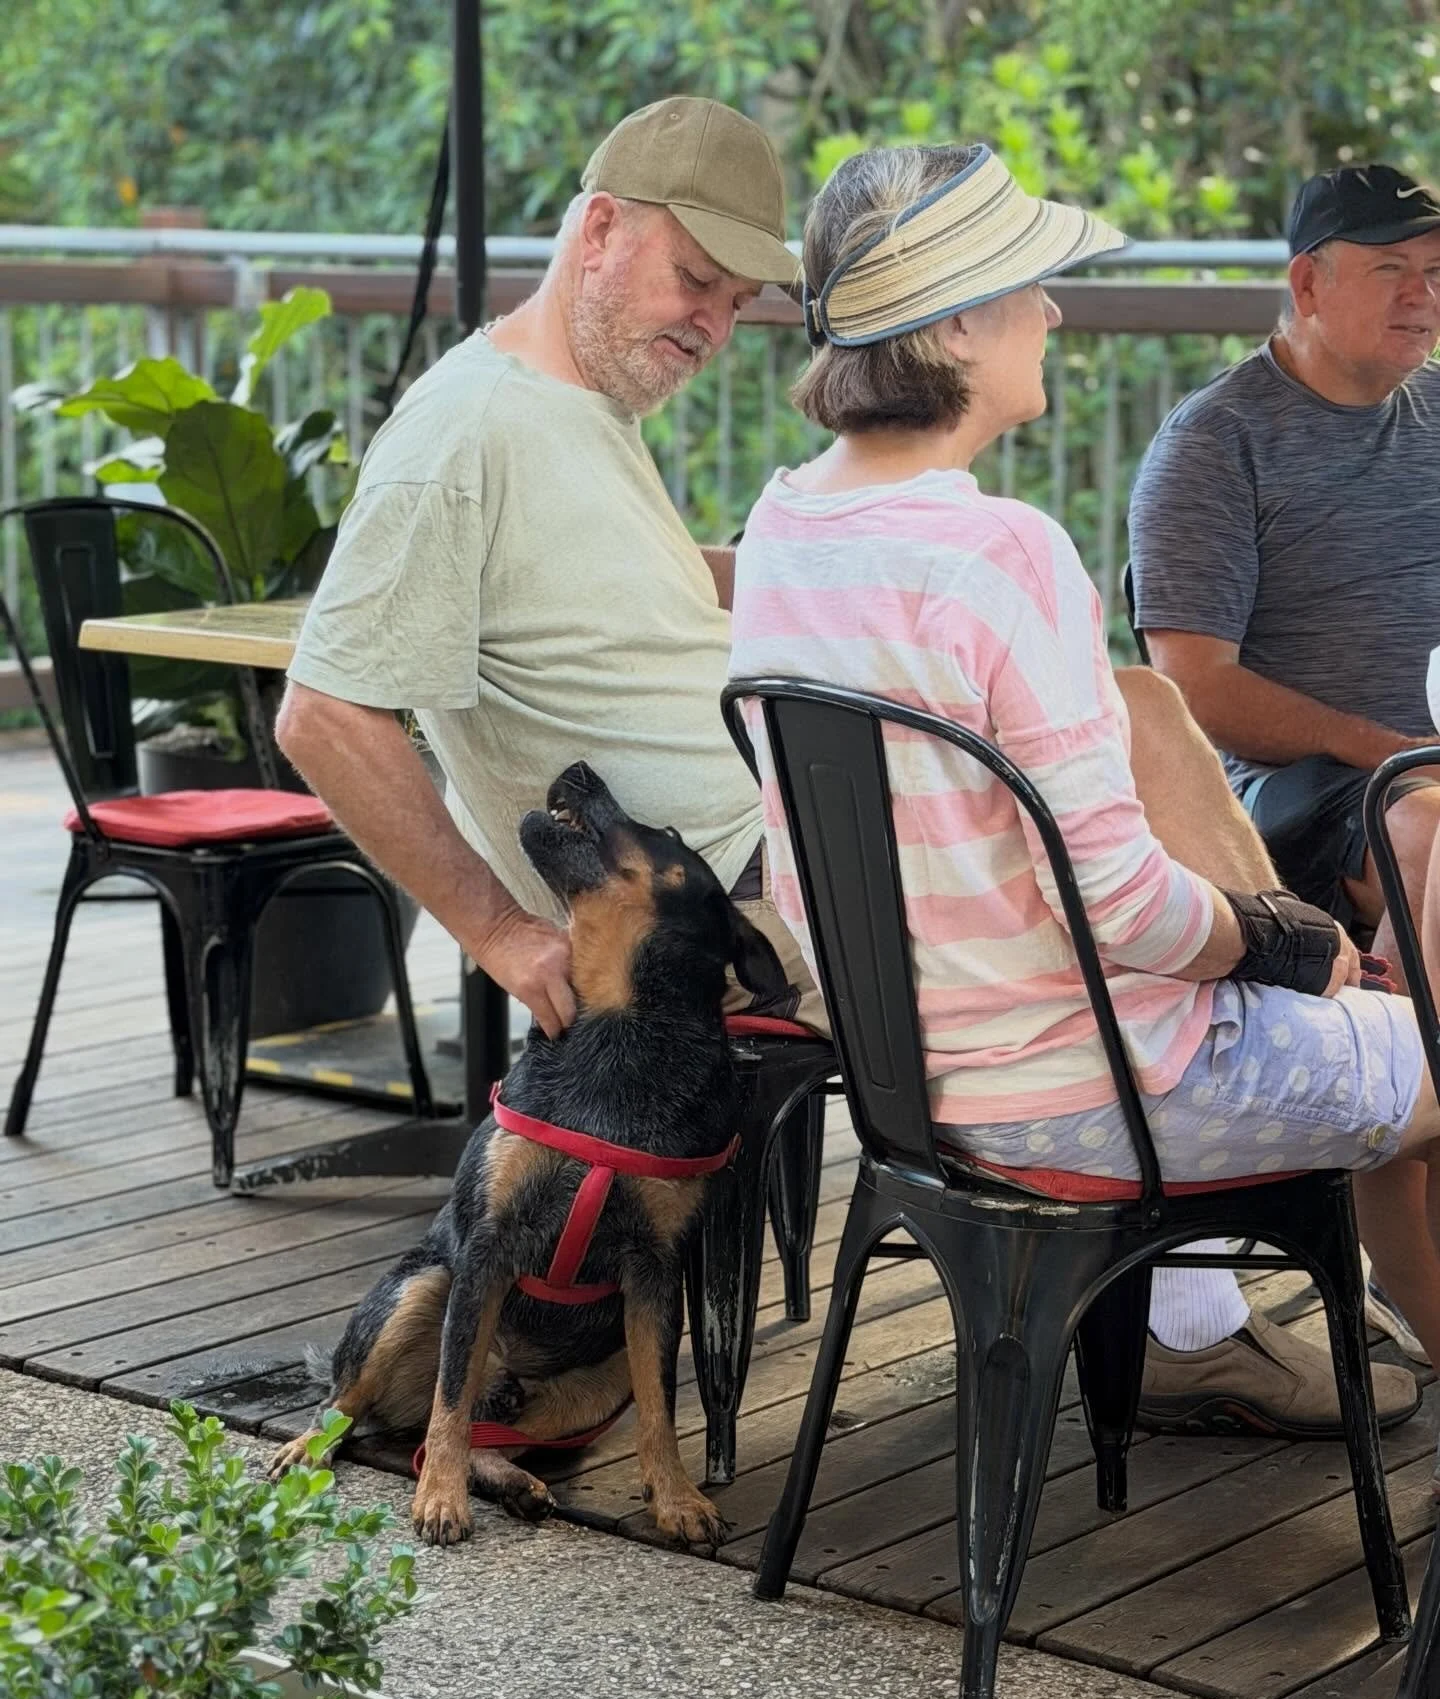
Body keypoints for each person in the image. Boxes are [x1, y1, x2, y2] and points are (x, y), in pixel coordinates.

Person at [728, 141, 1432, 1438]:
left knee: (1147, 711)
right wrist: (1282, 946)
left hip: (913, 1092)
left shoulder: (782, 529)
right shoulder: (1003, 551)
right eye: (1026, 288)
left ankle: (1222, 1328)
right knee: (1428, 1059)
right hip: (1091, 1098)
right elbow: (1128, 916)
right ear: (955, 325)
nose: (1051, 313)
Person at [277, 97, 819, 1035]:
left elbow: (609, 589)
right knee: (1048, 935)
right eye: (695, 279)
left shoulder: (582, 405)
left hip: (770, 858)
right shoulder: (466, 428)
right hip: (715, 918)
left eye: (736, 303)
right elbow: (323, 714)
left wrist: (834, 568)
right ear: (599, 230)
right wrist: (497, 930)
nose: (714, 326)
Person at [1129, 163, 1440, 1360]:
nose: (1423, 297)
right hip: (1292, 797)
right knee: (1429, 826)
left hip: (1420, 767)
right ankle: (1402, 1193)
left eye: (1436, 273)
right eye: (1392, 270)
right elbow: (1191, 689)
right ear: (1307, 283)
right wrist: (1383, 746)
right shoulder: (1215, 445)